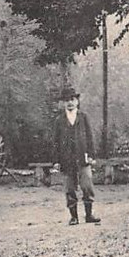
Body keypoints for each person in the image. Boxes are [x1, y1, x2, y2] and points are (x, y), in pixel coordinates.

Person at [52, 85, 101, 225]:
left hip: (82, 158)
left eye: (72, 99)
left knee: (87, 186)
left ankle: (89, 214)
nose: (70, 102)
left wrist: (91, 155)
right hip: (67, 160)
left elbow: (90, 137)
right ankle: (74, 216)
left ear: (77, 101)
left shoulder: (83, 117)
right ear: (63, 103)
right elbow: (55, 142)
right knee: (69, 188)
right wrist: (56, 160)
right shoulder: (59, 120)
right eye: (67, 100)